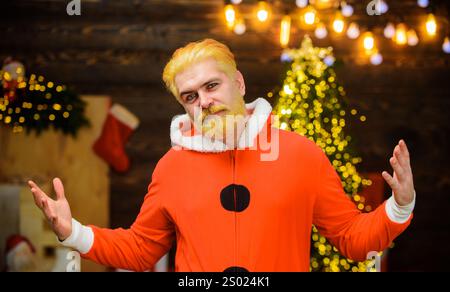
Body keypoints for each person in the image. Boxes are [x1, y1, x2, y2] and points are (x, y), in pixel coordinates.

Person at [27, 39, 415, 272]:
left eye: (212, 85)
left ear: (239, 82)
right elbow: (142, 248)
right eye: (190, 97)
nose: (205, 102)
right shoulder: (172, 167)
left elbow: (350, 237)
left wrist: (399, 205)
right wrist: (72, 232)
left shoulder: (301, 154)